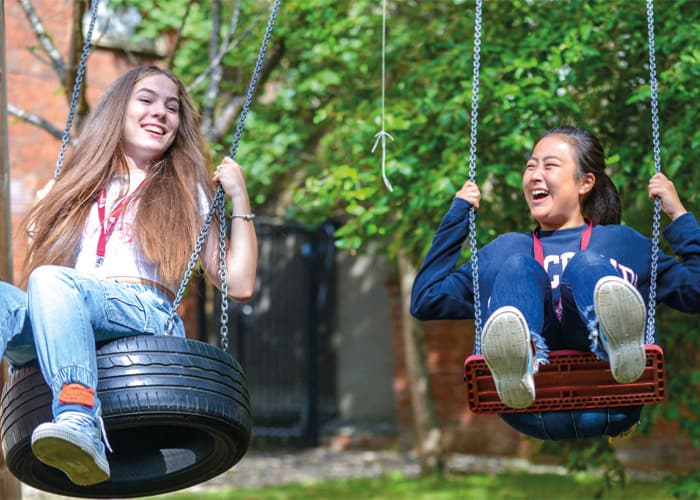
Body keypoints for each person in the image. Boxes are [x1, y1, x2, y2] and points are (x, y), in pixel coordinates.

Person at [0, 66, 258, 485]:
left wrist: (239, 197)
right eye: (147, 100)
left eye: (172, 107)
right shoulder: (78, 185)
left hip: (145, 314)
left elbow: (240, 283)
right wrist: (46, 215)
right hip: (73, 313)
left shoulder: (185, 187)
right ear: (119, 110)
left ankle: (80, 419)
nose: (161, 113)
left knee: (51, 280)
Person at [410, 125, 700, 440]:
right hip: (530, 406)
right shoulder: (503, 252)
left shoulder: (624, 243)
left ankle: (615, 345)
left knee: (587, 265)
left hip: (611, 396)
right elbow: (426, 298)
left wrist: (679, 214)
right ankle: (517, 365)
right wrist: (457, 217)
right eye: (530, 165)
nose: (534, 174)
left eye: (549, 165)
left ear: (585, 182)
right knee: (520, 268)